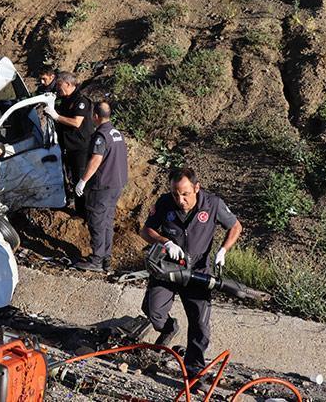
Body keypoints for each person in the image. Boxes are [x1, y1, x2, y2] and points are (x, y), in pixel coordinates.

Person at [140, 167, 242, 391]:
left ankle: (194, 372)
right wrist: (164, 241)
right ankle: (168, 328)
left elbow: (235, 226)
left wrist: (223, 250)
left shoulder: (213, 204)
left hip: (198, 273)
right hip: (168, 269)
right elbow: (146, 231)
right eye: (176, 194)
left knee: (199, 324)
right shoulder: (166, 202)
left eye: (185, 194)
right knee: (152, 310)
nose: (180, 199)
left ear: (196, 188)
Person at [71, 102, 128, 272]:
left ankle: (96, 259)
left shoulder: (100, 136)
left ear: (95, 116)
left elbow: (96, 160)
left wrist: (83, 180)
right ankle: (106, 257)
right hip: (116, 184)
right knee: (107, 221)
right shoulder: (117, 133)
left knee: (96, 221)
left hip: (102, 186)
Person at [44, 72, 95, 217]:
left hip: (81, 147)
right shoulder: (65, 100)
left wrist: (56, 116)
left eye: (59, 85)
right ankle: (80, 210)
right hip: (69, 147)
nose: (58, 89)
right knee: (73, 178)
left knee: (81, 179)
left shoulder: (81, 101)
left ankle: (86, 213)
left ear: (67, 84)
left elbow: (76, 122)